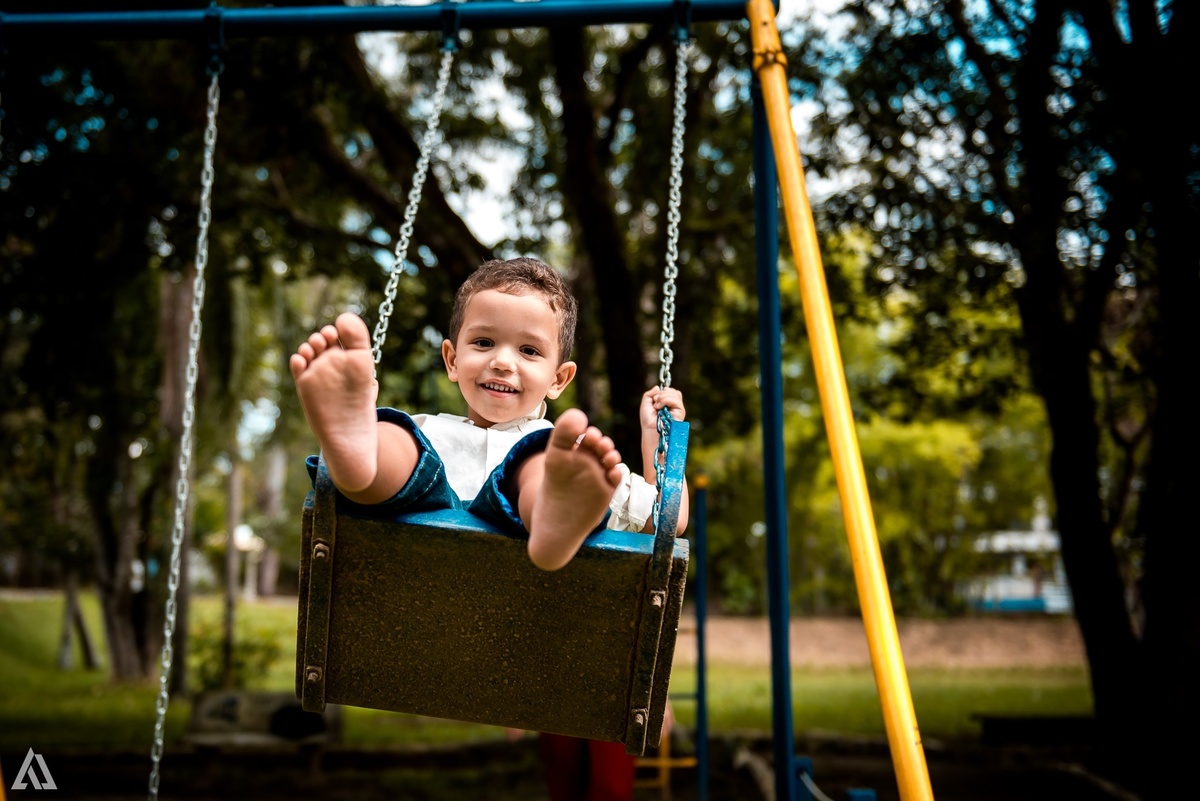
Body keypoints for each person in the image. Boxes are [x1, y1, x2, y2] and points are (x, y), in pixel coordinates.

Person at [290, 256, 687, 570]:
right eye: (483, 342)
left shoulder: (570, 455)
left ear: (559, 378)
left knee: (540, 459)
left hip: (538, 483)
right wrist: (375, 431)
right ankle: (359, 452)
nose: (501, 361)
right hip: (414, 498)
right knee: (398, 438)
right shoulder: (428, 433)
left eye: (529, 351)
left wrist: (657, 438)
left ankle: (552, 512)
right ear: (452, 359)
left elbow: (667, 518)